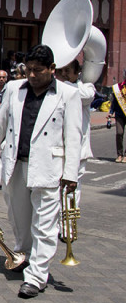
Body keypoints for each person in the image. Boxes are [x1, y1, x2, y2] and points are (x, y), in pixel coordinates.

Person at [0, 44, 82, 299]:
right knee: (19, 219)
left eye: (38, 71)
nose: (32, 75)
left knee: (44, 225)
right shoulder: (13, 88)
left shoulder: (68, 94)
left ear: (52, 69)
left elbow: (74, 137)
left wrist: (71, 174)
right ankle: (23, 255)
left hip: (49, 167)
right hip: (17, 163)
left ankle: (37, 276)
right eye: (29, 70)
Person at [56, 59, 94, 203]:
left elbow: (85, 96)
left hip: (78, 150)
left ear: (77, 72)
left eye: (67, 70)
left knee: (72, 191)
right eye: (61, 70)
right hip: (59, 148)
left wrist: (62, 83)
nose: (63, 74)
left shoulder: (86, 88)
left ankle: (70, 225)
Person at [108, 71, 126, 163]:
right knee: (119, 133)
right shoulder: (118, 88)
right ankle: (119, 154)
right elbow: (114, 101)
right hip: (119, 114)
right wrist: (111, 112)